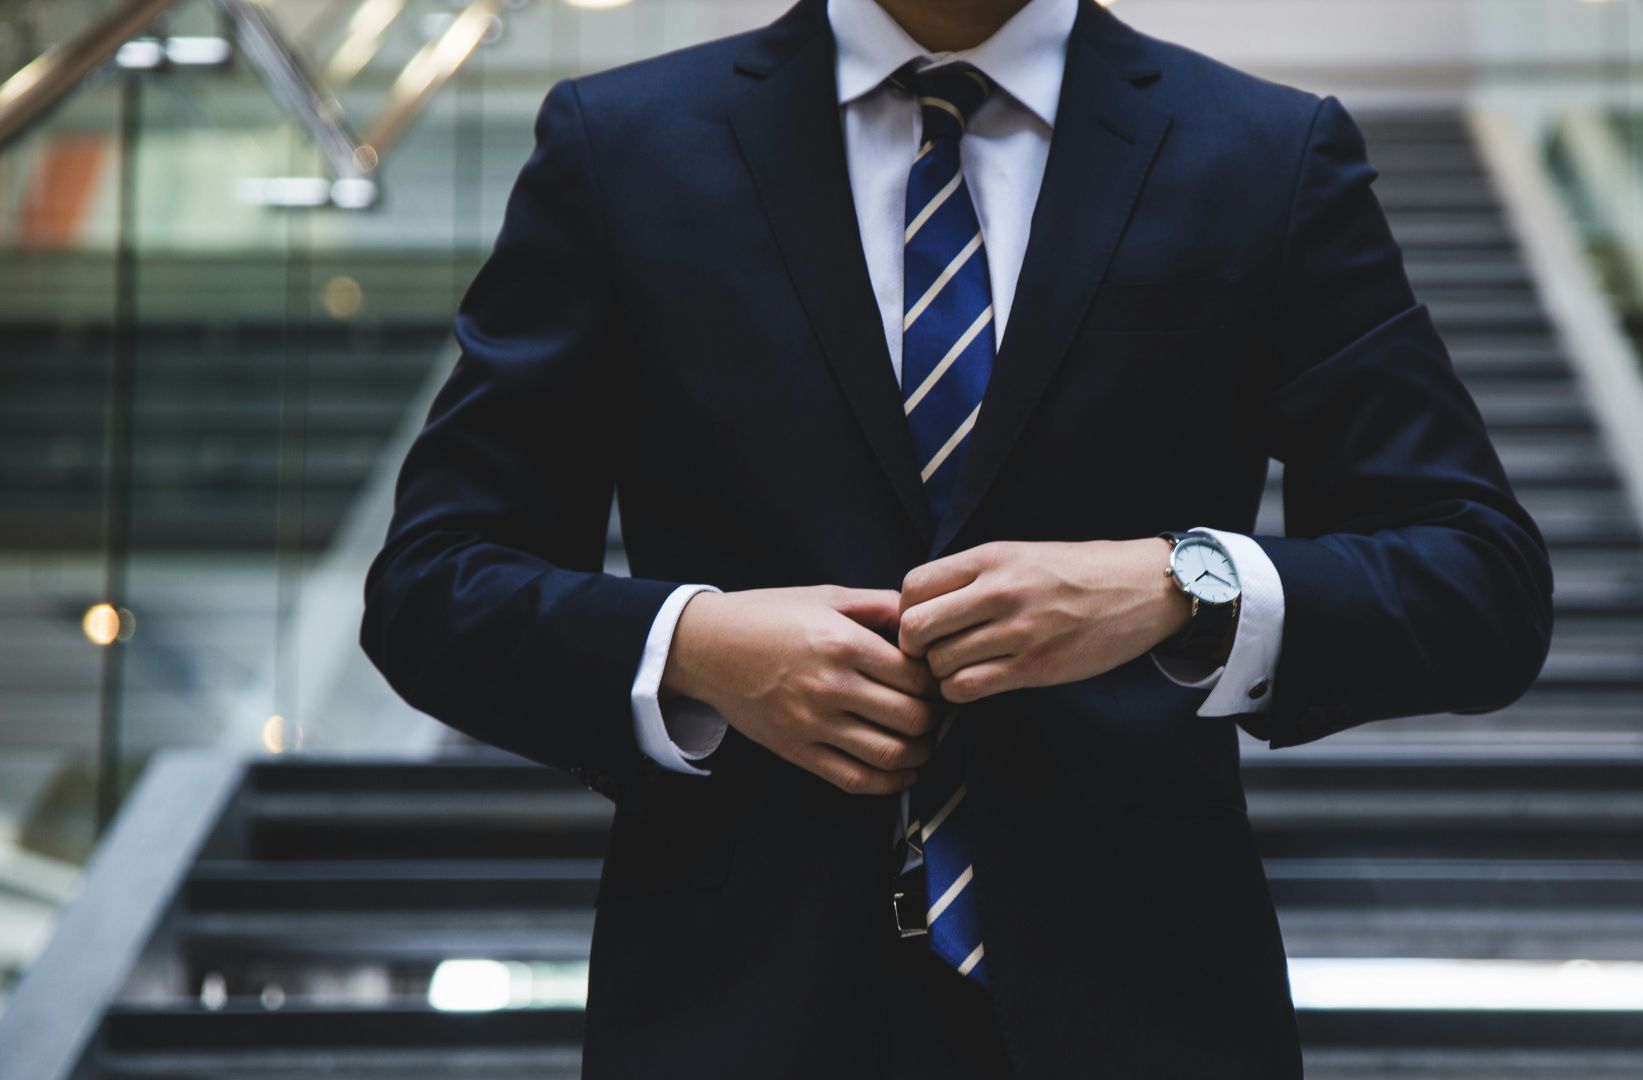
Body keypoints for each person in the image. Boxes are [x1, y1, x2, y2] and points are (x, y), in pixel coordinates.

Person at [361, 0, 1553, 1074]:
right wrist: (695, 647)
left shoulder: (1263, 154)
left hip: (1144, 1005)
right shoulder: (622, 145)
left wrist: (1183, 584)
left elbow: (1480, 577)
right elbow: (431, 584)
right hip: (733, 1005)